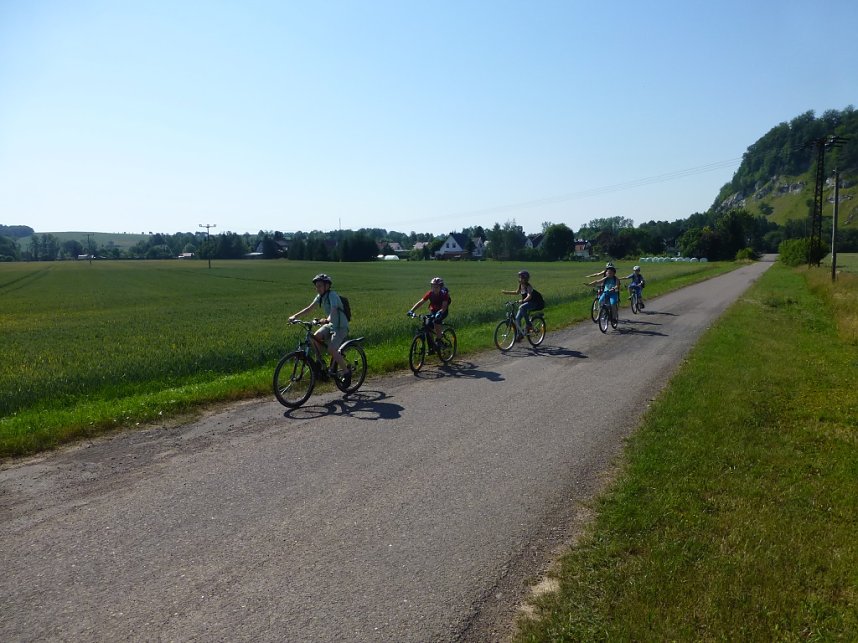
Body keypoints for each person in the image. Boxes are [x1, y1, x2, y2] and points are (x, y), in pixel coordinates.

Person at [289, 273, 351, 385]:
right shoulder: (320, 297)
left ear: (327, 286)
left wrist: (327, 319)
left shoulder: (332, 295)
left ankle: (346, 372)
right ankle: (321, 364)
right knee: (314, 338)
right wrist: (295, 316)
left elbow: (334, 310)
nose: (318, 288)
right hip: (331, 325)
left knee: (331, 349)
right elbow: (309, 308)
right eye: (316, 286)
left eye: (320, 286)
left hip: (341, 326)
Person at [407, 277, 450, 349]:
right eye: (433, 286)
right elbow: (421, 302)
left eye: (436, 287)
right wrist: (412, 310)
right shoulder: (430, 293)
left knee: (436, 321)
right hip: (433, 311)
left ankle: (439, 340)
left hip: (442, 311)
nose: (434, 288)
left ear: (441, 287)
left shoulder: (444, 294)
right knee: (428, 325)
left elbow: (444, 306)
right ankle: (432, 348)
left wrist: (440, 312)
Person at [501, 270, 544, 341]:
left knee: (522, 307)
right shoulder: (521, 285)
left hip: (535, 302)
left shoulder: (529, 286)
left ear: (525, 279)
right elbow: (516, 292)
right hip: (527, 303)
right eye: (519, 277)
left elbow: (529, 296)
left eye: (521, 277)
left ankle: (529, 324)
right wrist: (506, 292)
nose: (519, 279)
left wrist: (523, 300)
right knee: (517, 319)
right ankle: (520, 334)